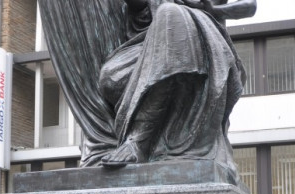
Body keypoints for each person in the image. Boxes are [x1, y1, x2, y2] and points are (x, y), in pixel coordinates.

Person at [38, 0, 257, 173]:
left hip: (199, 31)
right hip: (146, 43)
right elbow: (138, 7)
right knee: (110, 76)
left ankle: (138, 142)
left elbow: (250, 6)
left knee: (169, 15)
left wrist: (214, 9)